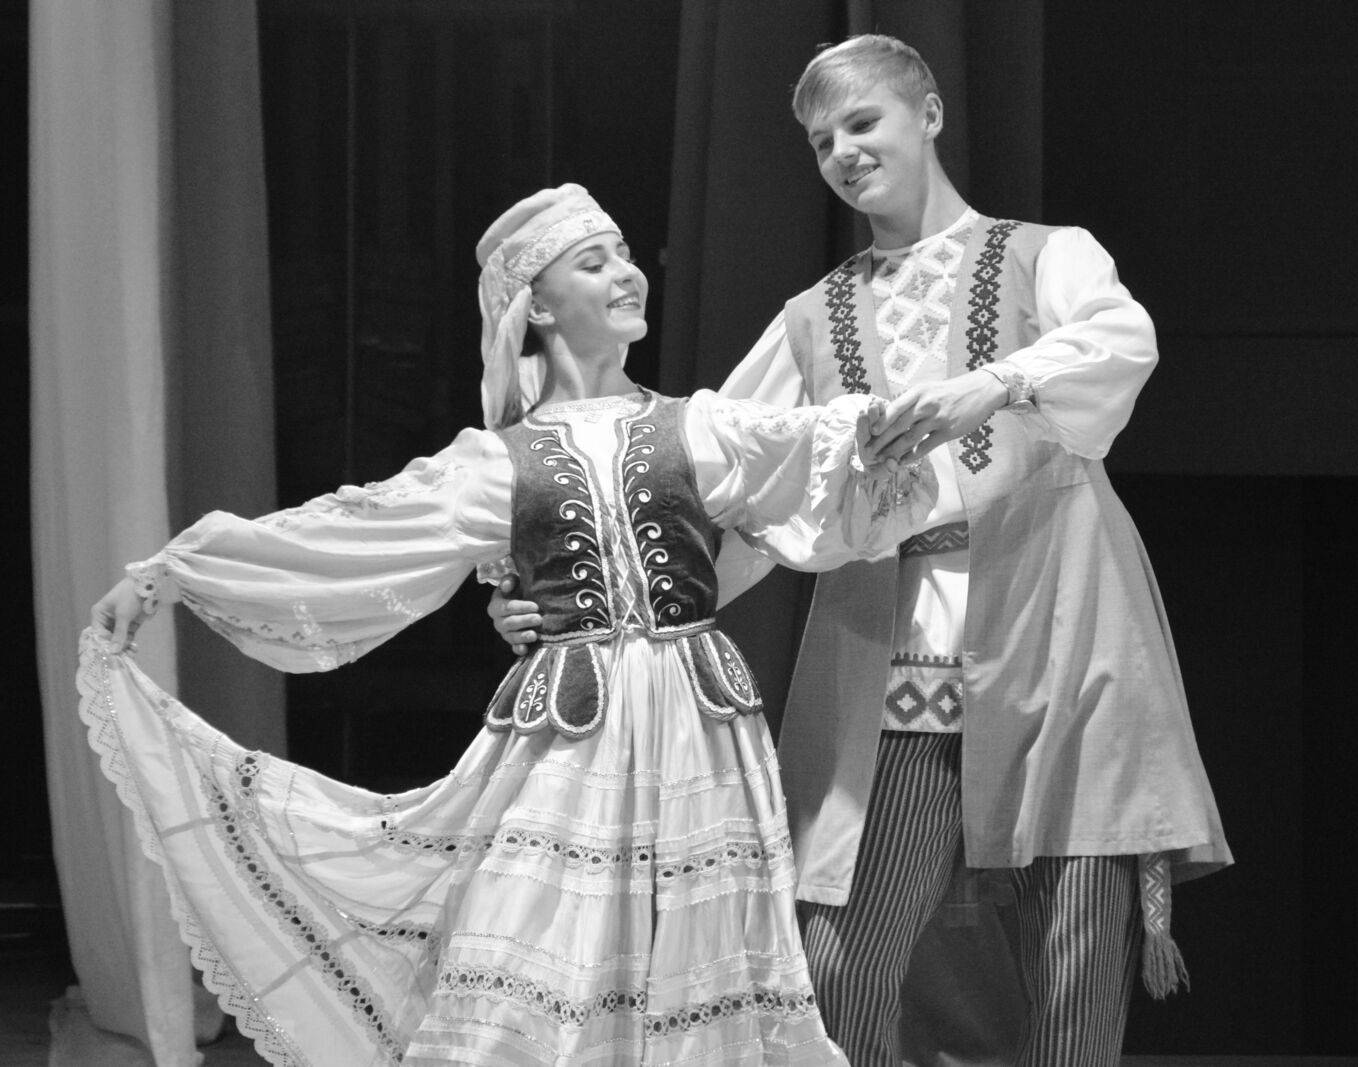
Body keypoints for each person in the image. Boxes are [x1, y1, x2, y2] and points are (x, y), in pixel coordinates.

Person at [491, 37, 1232, 1067]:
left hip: (1064, 636)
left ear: (929, 114)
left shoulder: (1045, 255)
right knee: (839, 961)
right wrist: (578, 602)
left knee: (1074, 966)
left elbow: (1120, 342)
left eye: (862, 121)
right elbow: (707, 490)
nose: (842, 150)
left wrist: (992, 383)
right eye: (820, 139)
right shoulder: (812, 318)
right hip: (892, 655)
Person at [83, 185, 948, 1066]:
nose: (627, 273)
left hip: (698, 732)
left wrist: (948, 405)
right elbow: (351, 533)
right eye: (594, 261)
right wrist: (171, 572)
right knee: (539, 959)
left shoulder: (699, 426)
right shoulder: (496, 462)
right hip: (573, 736)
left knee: (697, 963)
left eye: (625, 254)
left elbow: (815, 446)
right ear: (536, 306)